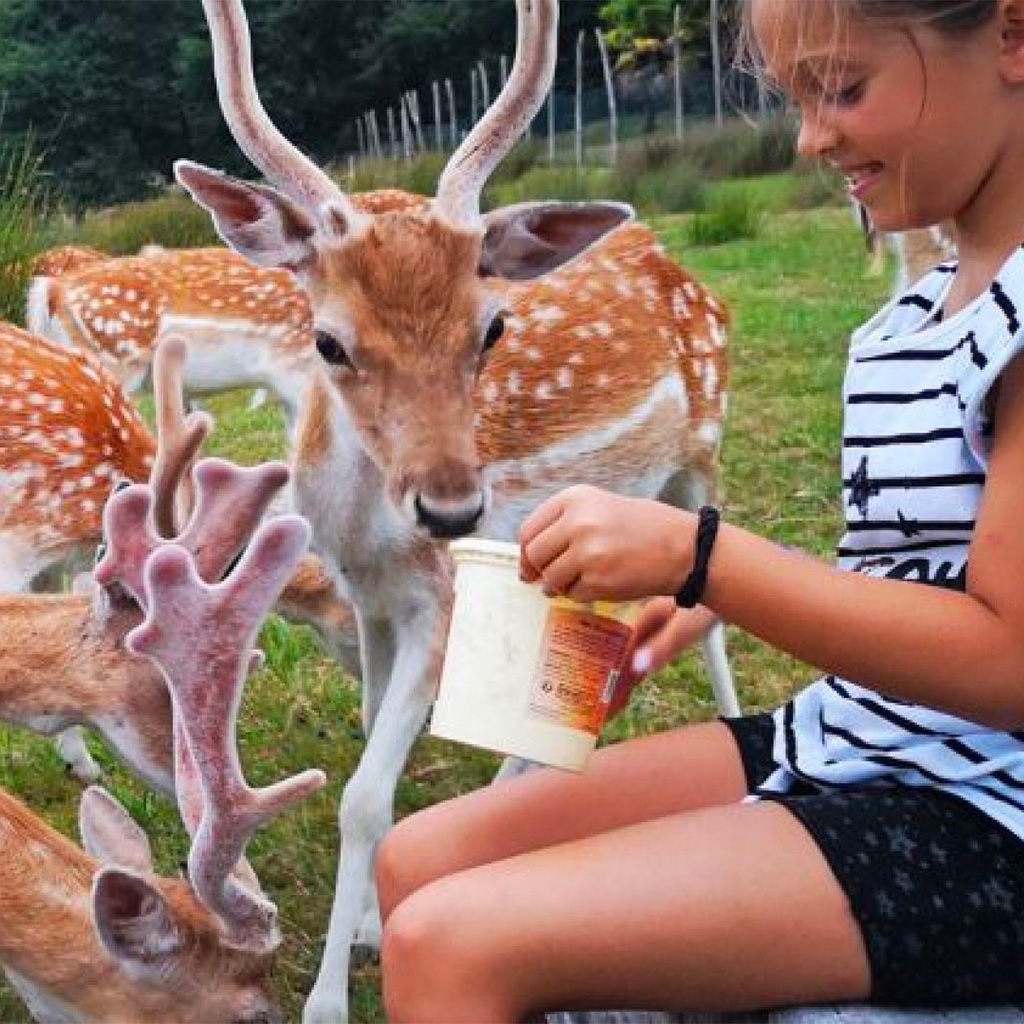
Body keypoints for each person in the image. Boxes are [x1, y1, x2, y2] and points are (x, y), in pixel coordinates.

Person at [375, 1, 1024, 1019]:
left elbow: (1007, 663)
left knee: (447, 946)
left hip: (985, 811)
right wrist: (714, 598)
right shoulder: (920, 307)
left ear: (1012, 37)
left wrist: (705, 556)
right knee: (417, 859)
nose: (812, 137)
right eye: (796, 99)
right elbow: (935, 559)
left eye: (844, 89)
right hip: (856, 735)